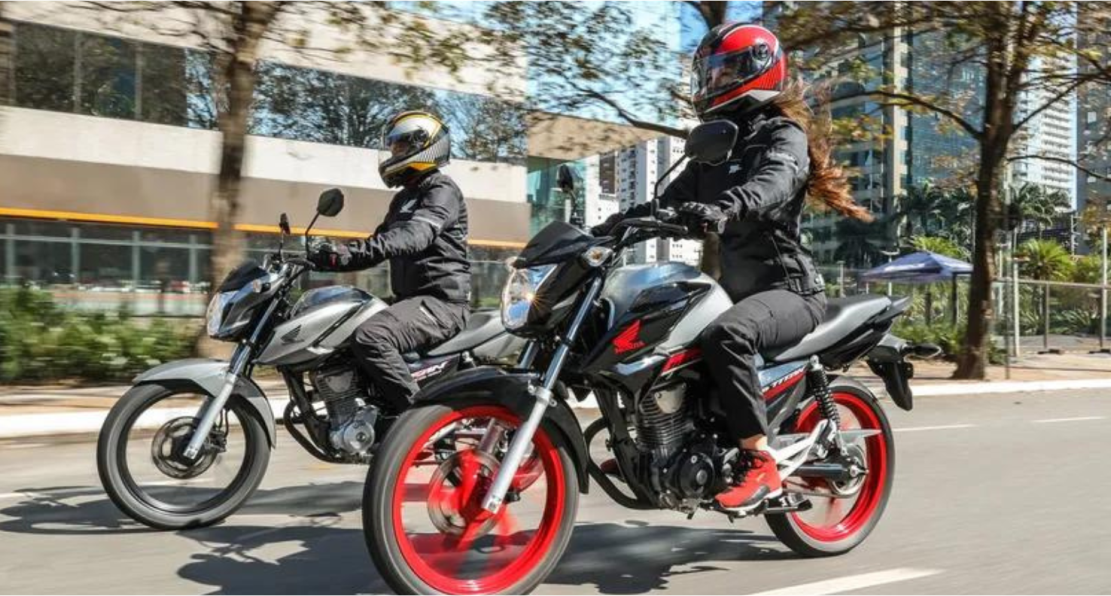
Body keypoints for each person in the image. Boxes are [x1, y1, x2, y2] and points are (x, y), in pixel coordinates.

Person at [592, 24, 871, 510]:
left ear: (759, 69)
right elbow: (665, 202)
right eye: (711, 73)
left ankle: (759, 462)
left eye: (726, 72)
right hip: (737, 292)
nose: (715, 81)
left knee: (728, 337)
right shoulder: (714, 149)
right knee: (662, 335)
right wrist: (608, 229)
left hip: (790, 291)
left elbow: (775, 183)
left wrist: (727, 206)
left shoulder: (783, 134)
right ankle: (663, 445)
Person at [308, 111, 470, 411]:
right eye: (392, 147)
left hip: (441, 304)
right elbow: (377, 244)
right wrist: (326, 258)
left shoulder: (441, 190)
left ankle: (416, 422)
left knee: (372, 336)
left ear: (423, 145)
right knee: (340, 324)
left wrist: (341, 253)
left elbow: (415, 235)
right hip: (410, 301)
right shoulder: (403, 198)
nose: (393, 153)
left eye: (399, 146)